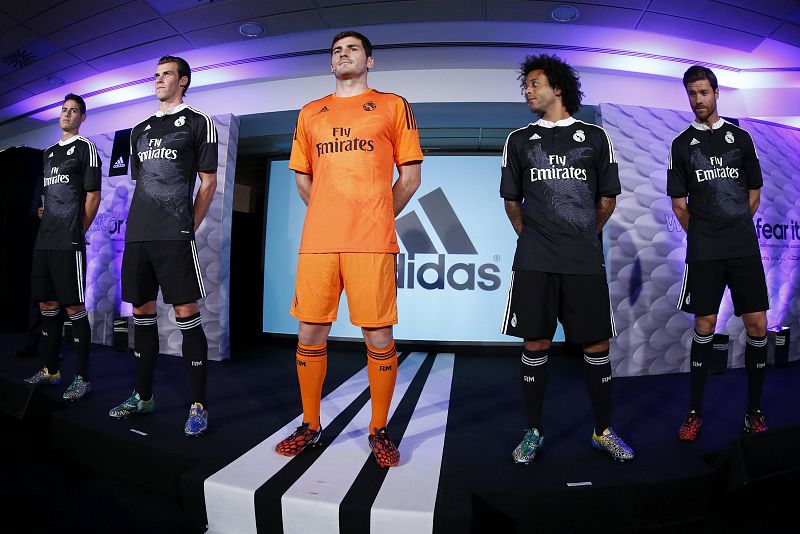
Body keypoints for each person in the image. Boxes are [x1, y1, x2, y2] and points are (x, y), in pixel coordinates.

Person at [274, 30, 423, 467]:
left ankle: (379, 429)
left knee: (377, 335)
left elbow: (410, 179)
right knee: (309, 332)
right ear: (331, 62)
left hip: (371, 243)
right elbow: (303, 178)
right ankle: (311, 425)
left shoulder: (393, 105)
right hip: (319, 242)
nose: (343, 54)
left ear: (370, 61)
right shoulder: (309, 113)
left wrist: (374, 215)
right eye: (337, 50)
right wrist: (329, 211)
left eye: (352, 49)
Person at [500, 54, 634, 464]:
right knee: (535, 341)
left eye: (535, 83)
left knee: (595, 345)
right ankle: (533, 432)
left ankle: (603, 431)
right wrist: (536, 238)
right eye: (526, 85)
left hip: (583, 261)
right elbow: (511, 201)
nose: (528, 90)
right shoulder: (519, 140)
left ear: (557, 87)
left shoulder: (595, 137)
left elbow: (607, 199)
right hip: (535, 260)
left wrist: (581, 236)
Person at [108, 56, 218, 437]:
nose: (158, 80)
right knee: (142, 311)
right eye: (155, 75)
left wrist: (190, 224)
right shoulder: (139, 129)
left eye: (166, 74)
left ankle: (198, 406)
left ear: (183, 81)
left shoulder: (198, 122)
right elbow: (144, 182)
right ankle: (143, 396)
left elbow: (208, 182)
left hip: (174, 236)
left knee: (186, 311)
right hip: (138, 236)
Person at [668, 66, 769, 441]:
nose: (698, 100)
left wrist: (734, 226)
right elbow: (679, 205)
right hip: (705, 251)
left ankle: (754, 412)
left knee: (757, 325)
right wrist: (707, 236)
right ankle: (694, 413)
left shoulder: (740, 138)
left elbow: (753, 192)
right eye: (692, 94)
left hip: (742, 248)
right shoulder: (681, 145)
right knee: (704, 326)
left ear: (716, 93)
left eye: (703, 93)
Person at [25, 94, 101, 402]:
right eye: (64, 110)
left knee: (73, 308)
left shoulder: (86, 149)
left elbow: (93, 197)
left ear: (82, 118)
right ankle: (50, 370)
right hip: (44, 242)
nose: (67, 114)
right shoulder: (48, 153)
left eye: (74, 111)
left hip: (68, 243)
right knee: (47, 305)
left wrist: (75, 232)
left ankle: (82, 378)